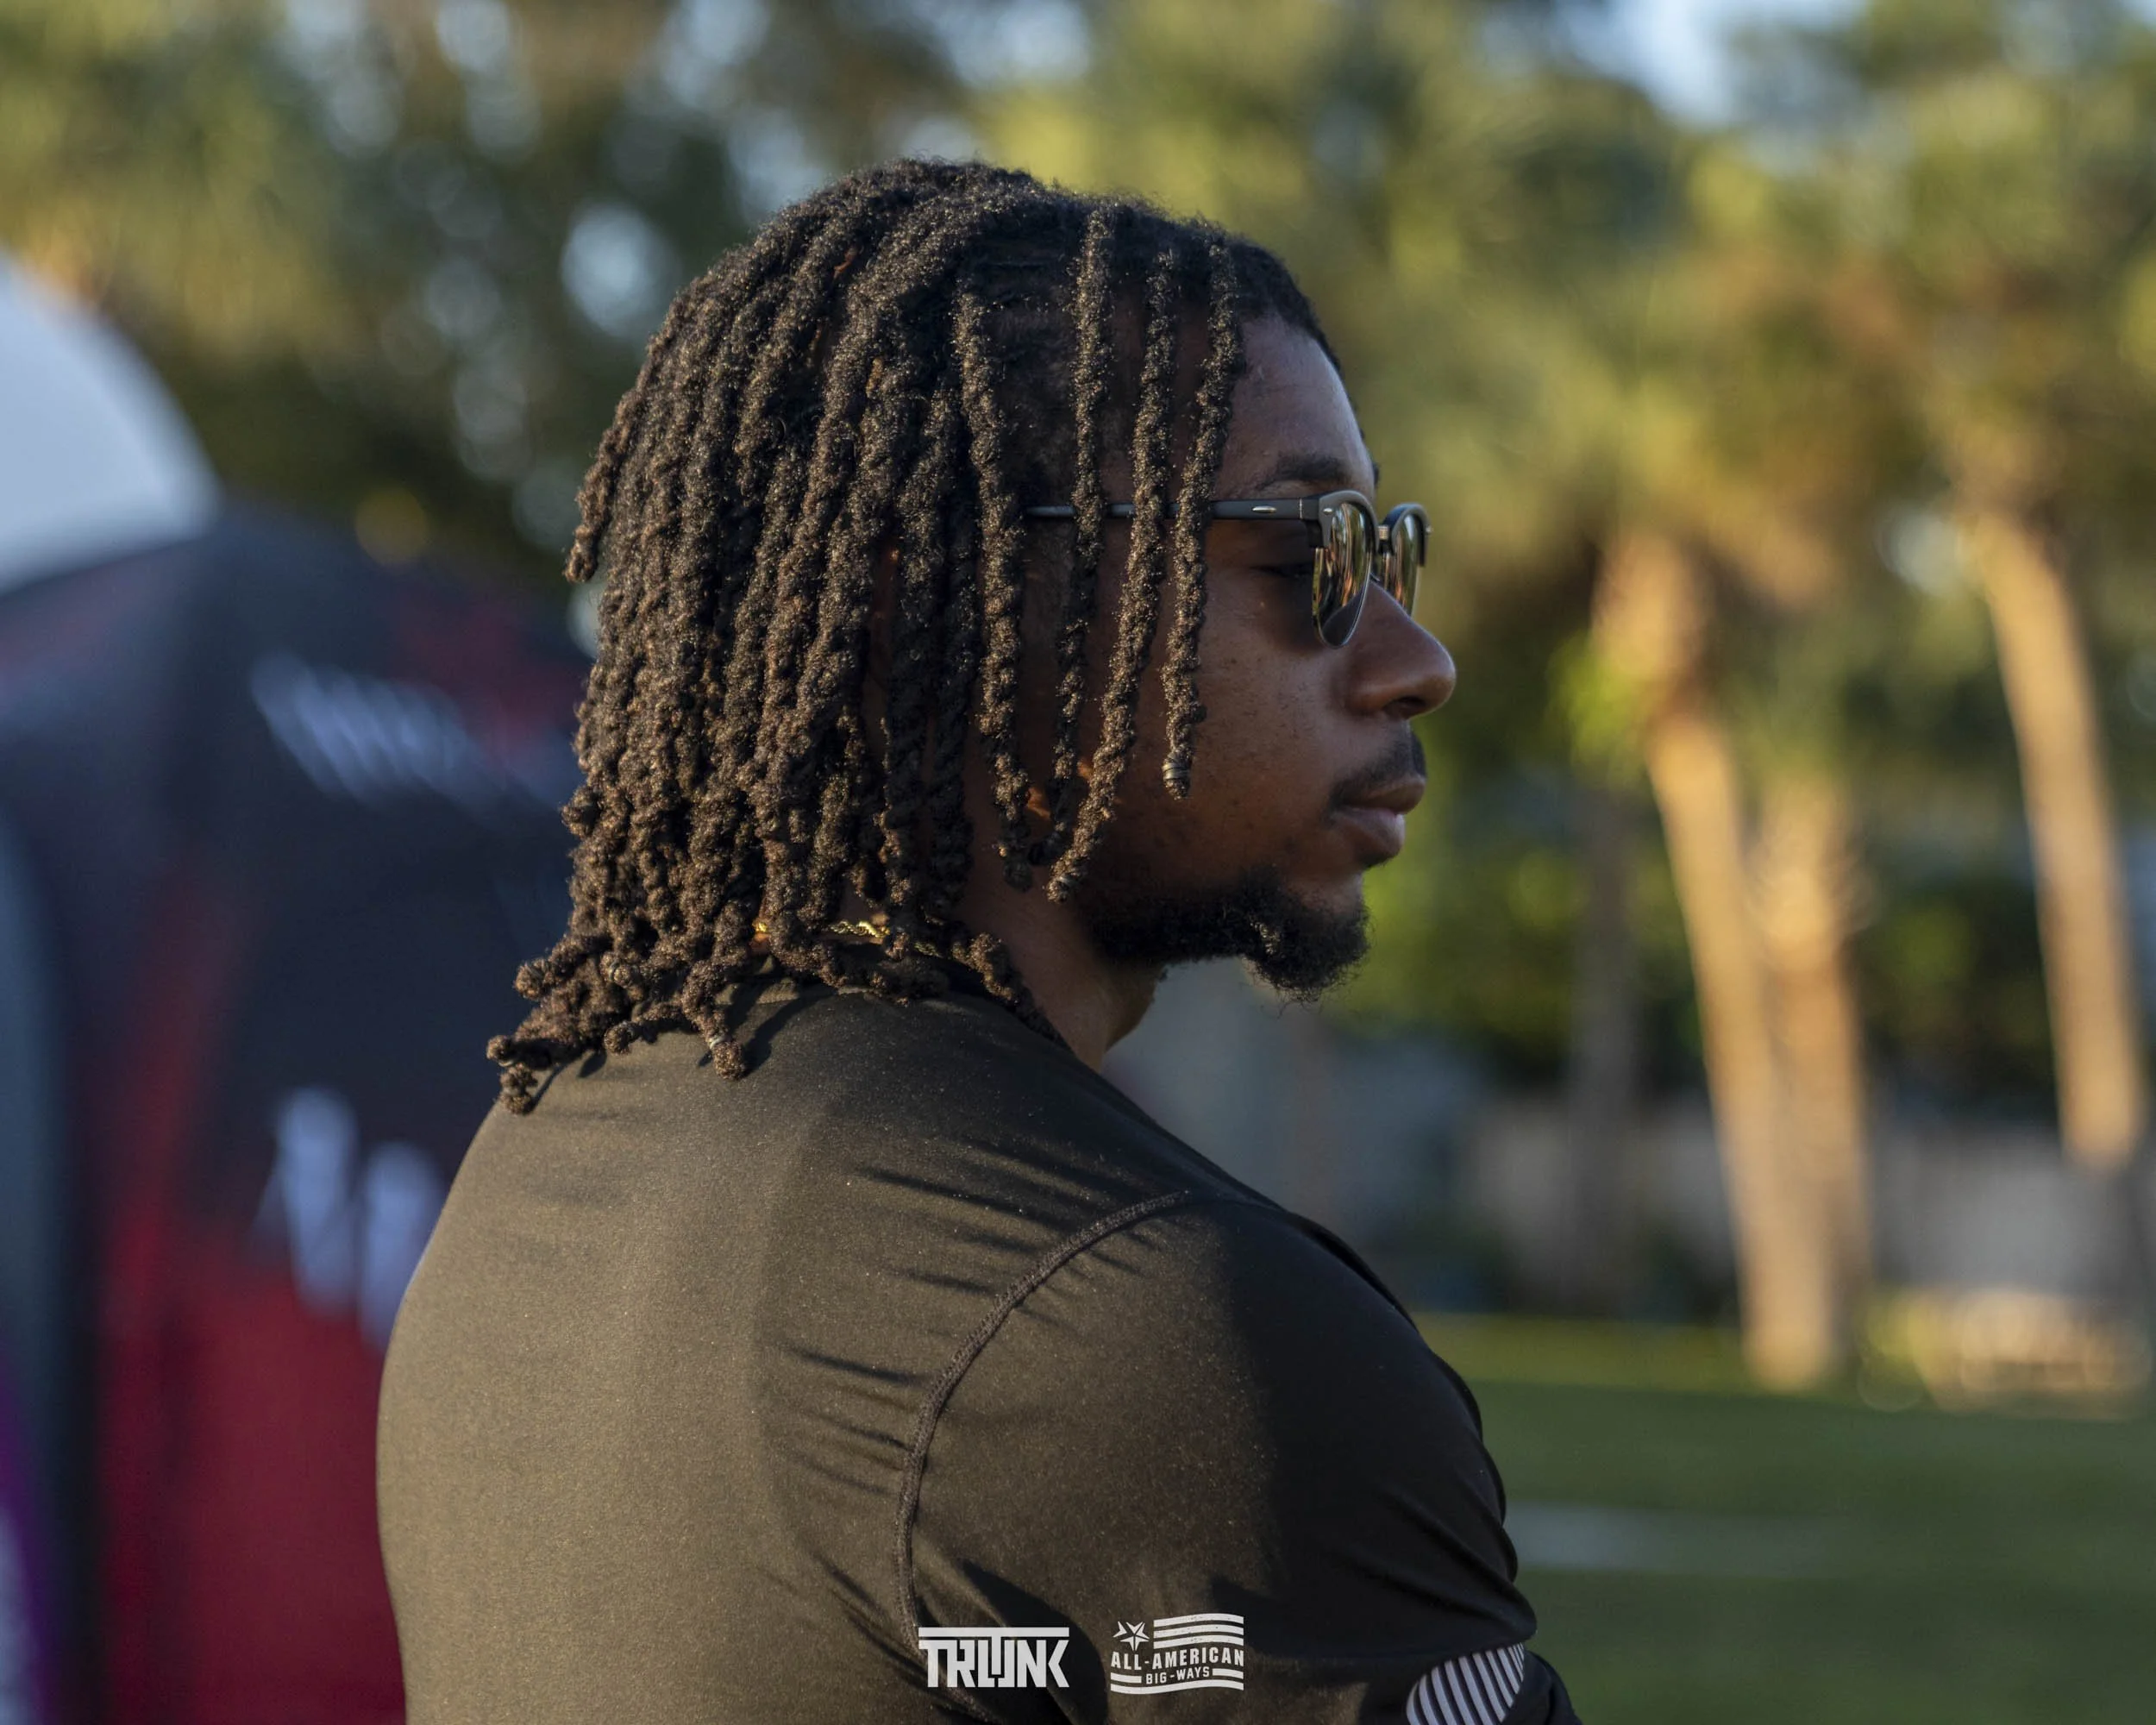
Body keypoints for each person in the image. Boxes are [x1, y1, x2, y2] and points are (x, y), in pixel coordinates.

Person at [378, 159, 1583, 1725]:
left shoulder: (549, 1160)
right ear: (924, 594)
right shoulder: (1164, 1338)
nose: (1414, 662)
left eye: (1390, 553)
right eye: (1308, 558)